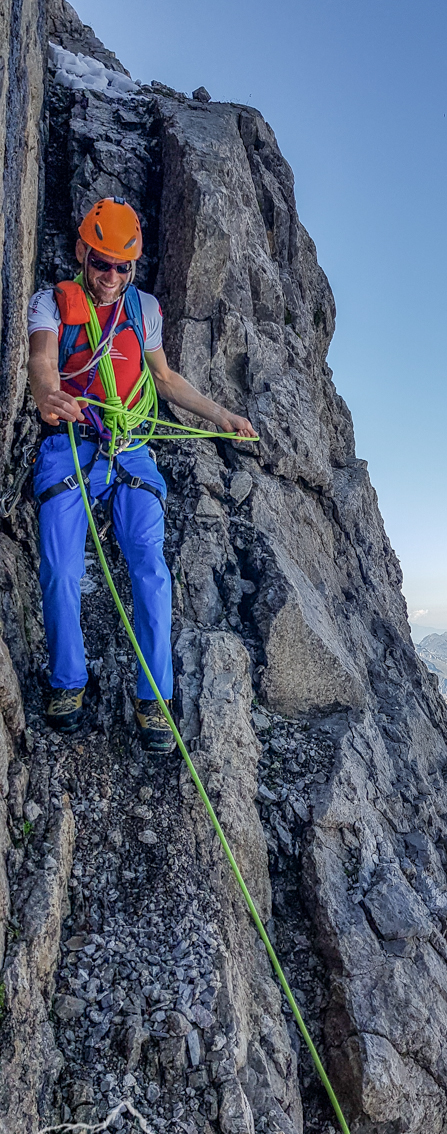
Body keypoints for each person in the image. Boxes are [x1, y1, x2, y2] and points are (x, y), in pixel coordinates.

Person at [27, 196, 257, 751]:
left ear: (135, 266)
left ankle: (153, 697)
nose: (110, 276)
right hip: (72, 443)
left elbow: (166, 378)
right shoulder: (51, 304)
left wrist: (221, 415)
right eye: (101, 262)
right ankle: (67, 684)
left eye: (121, 266)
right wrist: (47, 396)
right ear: (82, 252)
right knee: (59, 566)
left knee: (150, 567)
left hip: (130, 449)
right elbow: (41, 361)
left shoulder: (144, 310)